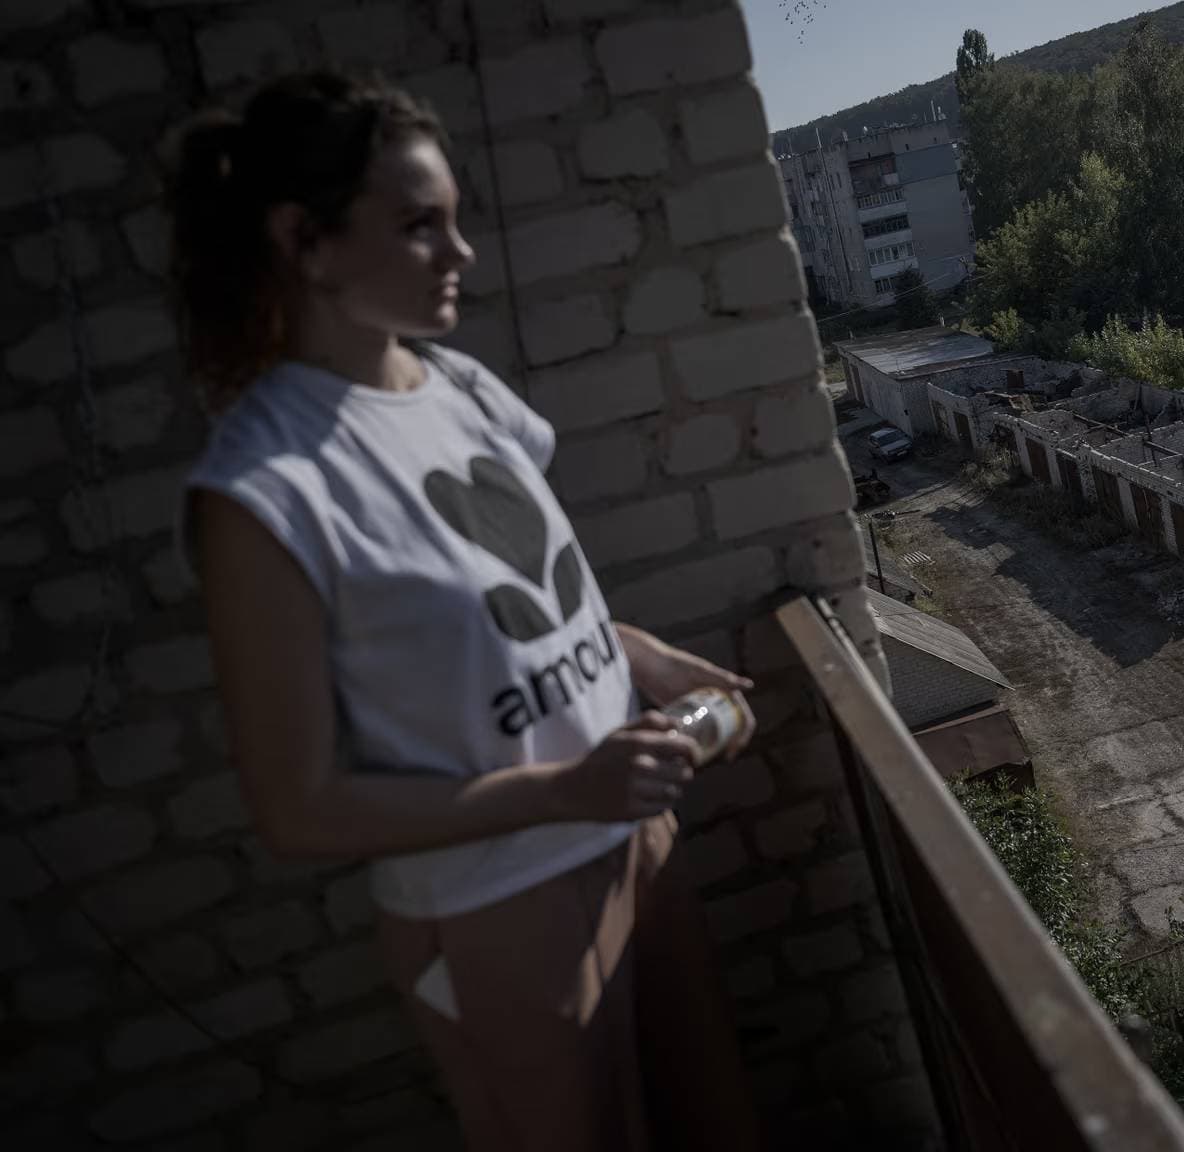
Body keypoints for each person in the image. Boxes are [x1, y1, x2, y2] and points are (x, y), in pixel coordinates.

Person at [169, 72, 757, 1151]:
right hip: (501, 907)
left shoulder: (462, 392)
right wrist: (562, 789)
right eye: (419, 226)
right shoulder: (265, 491)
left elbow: (508, 616)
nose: (462, 253)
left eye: (455, 220)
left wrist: (635, 654)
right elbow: (299, 810)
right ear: (305, 241)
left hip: (633, 840)